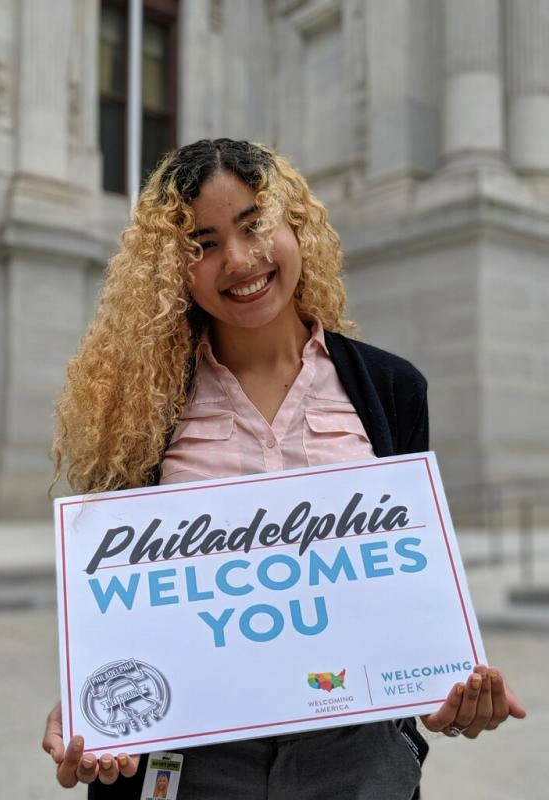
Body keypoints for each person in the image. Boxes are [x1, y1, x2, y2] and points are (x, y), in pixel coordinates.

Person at [42, 138, 526, 799]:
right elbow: (119, 608)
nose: (238, 261)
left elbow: (405, 583)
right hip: (194, 763)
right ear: (172, 267)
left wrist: (441, 687)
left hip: (355, 762)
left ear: (296, 223)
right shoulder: (137, 410)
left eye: (253, 226)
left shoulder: (392, 389)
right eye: (203, 243)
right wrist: (84, 703)